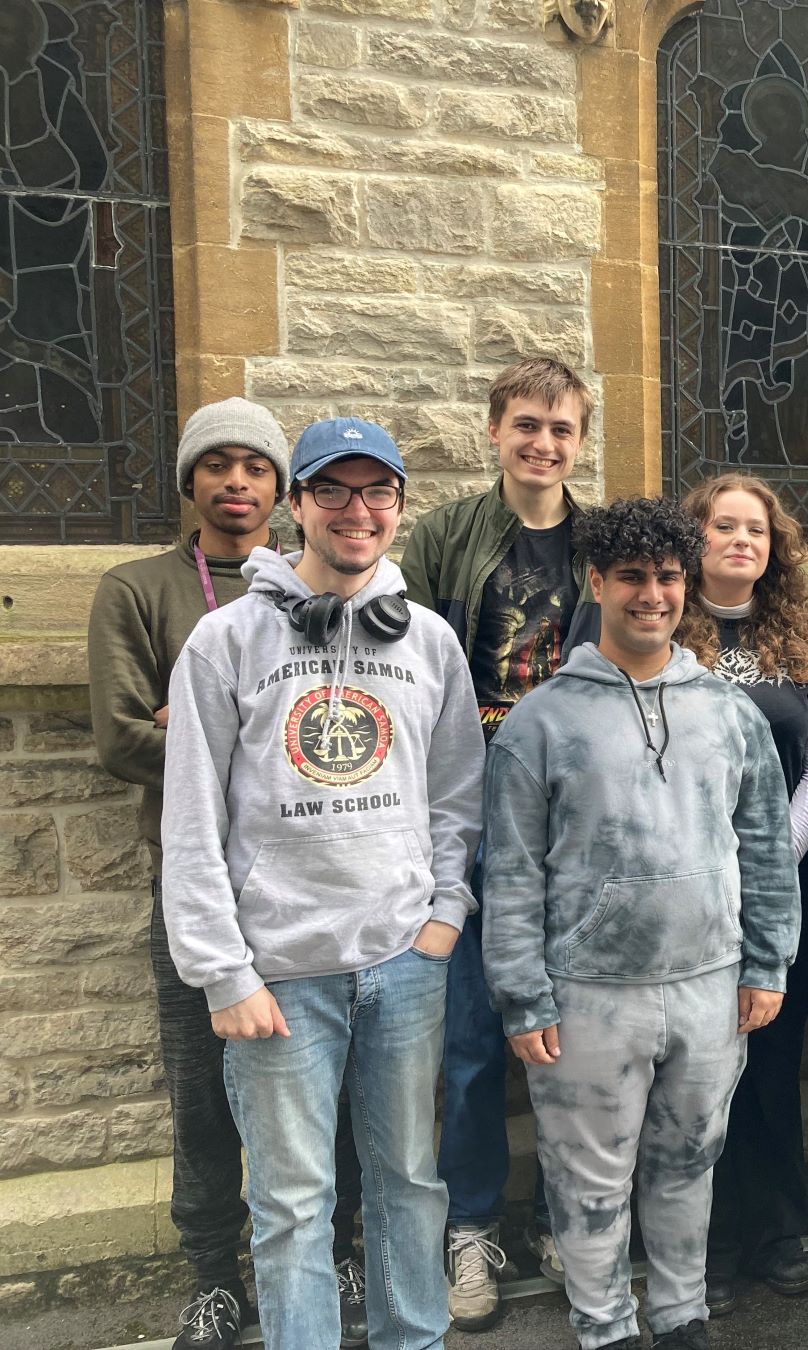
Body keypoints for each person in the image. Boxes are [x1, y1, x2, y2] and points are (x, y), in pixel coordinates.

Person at [160, 417, 485, 1349]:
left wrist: (445, 916)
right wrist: (224, 971)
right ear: (295, 505)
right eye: (332, 490)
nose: (357, 511)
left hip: (405, 962)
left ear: (398, 508)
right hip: (280, 976)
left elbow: (460, 794)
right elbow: (192, 823)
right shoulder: (226, 642)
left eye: (377, 491)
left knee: (410, 1184)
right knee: (295, 1205)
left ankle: (410, 1337)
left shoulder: (427, 641)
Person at [480, 497, 801, 1350]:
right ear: (598, 581)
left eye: (666, 577)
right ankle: (604, 1326)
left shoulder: (729, 713)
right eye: (632, 577)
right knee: (588, 1178)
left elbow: (766, 846)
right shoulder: (541, 722)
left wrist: (767, 963)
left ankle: (680, 1313)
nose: (651, 595)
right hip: (586, 994)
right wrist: (522, 995)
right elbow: (509, 871)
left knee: (688, 1165)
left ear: (685, 585)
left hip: (708, 984)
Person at [87, 399, 365, 1349]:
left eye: (256, 466)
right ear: (189, 482)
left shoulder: (323, 592)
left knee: (333, 1087)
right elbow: (122, 734)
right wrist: (214, 732)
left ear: (285, 492)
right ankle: (211, 1274)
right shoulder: (138, 590)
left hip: (314, 891)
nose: (237, 482)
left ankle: (339, 1248)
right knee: (202, 1092)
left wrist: (213, 725)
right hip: (198, 889)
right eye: (218, 466)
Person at [398, 356, 598, 1329]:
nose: (543, 443)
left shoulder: (604, 545)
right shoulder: (444, 538)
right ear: (494, 431)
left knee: (571, 1038)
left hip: (575, 826)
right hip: (475, 814)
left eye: (561, 429)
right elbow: (401, 670)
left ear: (580, 441)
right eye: (526, 424)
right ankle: (470, 1226)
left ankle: (566, 1215)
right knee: (473, 1045)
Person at [673, 474, 808, 1314]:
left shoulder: (799, 635)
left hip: (781, 885)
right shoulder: (661, 625)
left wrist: (775, 859)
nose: (741, 541)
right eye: (723, 526)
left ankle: (774, 1232)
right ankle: (701, 1247)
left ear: (774, 549)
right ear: (692, 538)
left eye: (756, 531)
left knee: (771, 1062)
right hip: (687, 884)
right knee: (698, 1073)